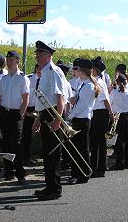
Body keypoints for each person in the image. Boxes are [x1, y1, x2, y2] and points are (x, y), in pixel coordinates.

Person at [32, 40, 67, 200]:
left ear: (49, 55)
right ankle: (49, 186)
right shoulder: (45, 71)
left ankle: (55, 189)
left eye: (41, 54)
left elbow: (60, 98)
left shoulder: (53, 71)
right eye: (37, 53)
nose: (37, 56)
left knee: (53, 153)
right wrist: (39, 117)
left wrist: (58, 120)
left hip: (54, 114)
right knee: (47, 153)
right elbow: (43, 98)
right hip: (46, 113)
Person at [0, 51, 29, 184]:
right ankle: (9, 172)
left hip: (16, 113)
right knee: (6, 143)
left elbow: (26, 98)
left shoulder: (22, 78)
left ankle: (20, 173)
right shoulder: (4, 78)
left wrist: (20, 113)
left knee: (17, 144)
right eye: (7, 60)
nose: (8, 62)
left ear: (17, 61)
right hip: (4, 112)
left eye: (11, 60)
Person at [67, 59, 99, 183]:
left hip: (82, 119)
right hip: (80, 118)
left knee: (81, 148)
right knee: (77, 148)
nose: (76, 71)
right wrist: (74, 99)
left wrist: (69, 116)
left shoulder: (88, 86)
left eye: (78, 69)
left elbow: (81, 106)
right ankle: (78, 173)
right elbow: (80, 102)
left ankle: (82, 174)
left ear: (82, 71)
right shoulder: (84, 84)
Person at [90, 59, 114, 178]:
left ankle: (100, 168)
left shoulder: (99, 82)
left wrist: (111, 113)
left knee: (99, 142)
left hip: (101, 113)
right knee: (95, 142)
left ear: (95, 70)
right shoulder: (96, 81)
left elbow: (105, 100)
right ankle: (94, 167)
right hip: (96, 113)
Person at [109, 74, 128, 169]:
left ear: (117, 82)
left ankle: (119, 162)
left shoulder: (114, 93)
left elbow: (110, 104)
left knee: (119, 141)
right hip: (127, 117)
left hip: (118, 117)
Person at [22, 64, 41, 166]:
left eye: (41, 68)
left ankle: (33, 155)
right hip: (29, 107)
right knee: (26, 134)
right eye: (37, 68)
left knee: (37, 134)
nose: (39, 70)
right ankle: (25, 157)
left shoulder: (45, 80)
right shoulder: (29, 78)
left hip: (39, 108)